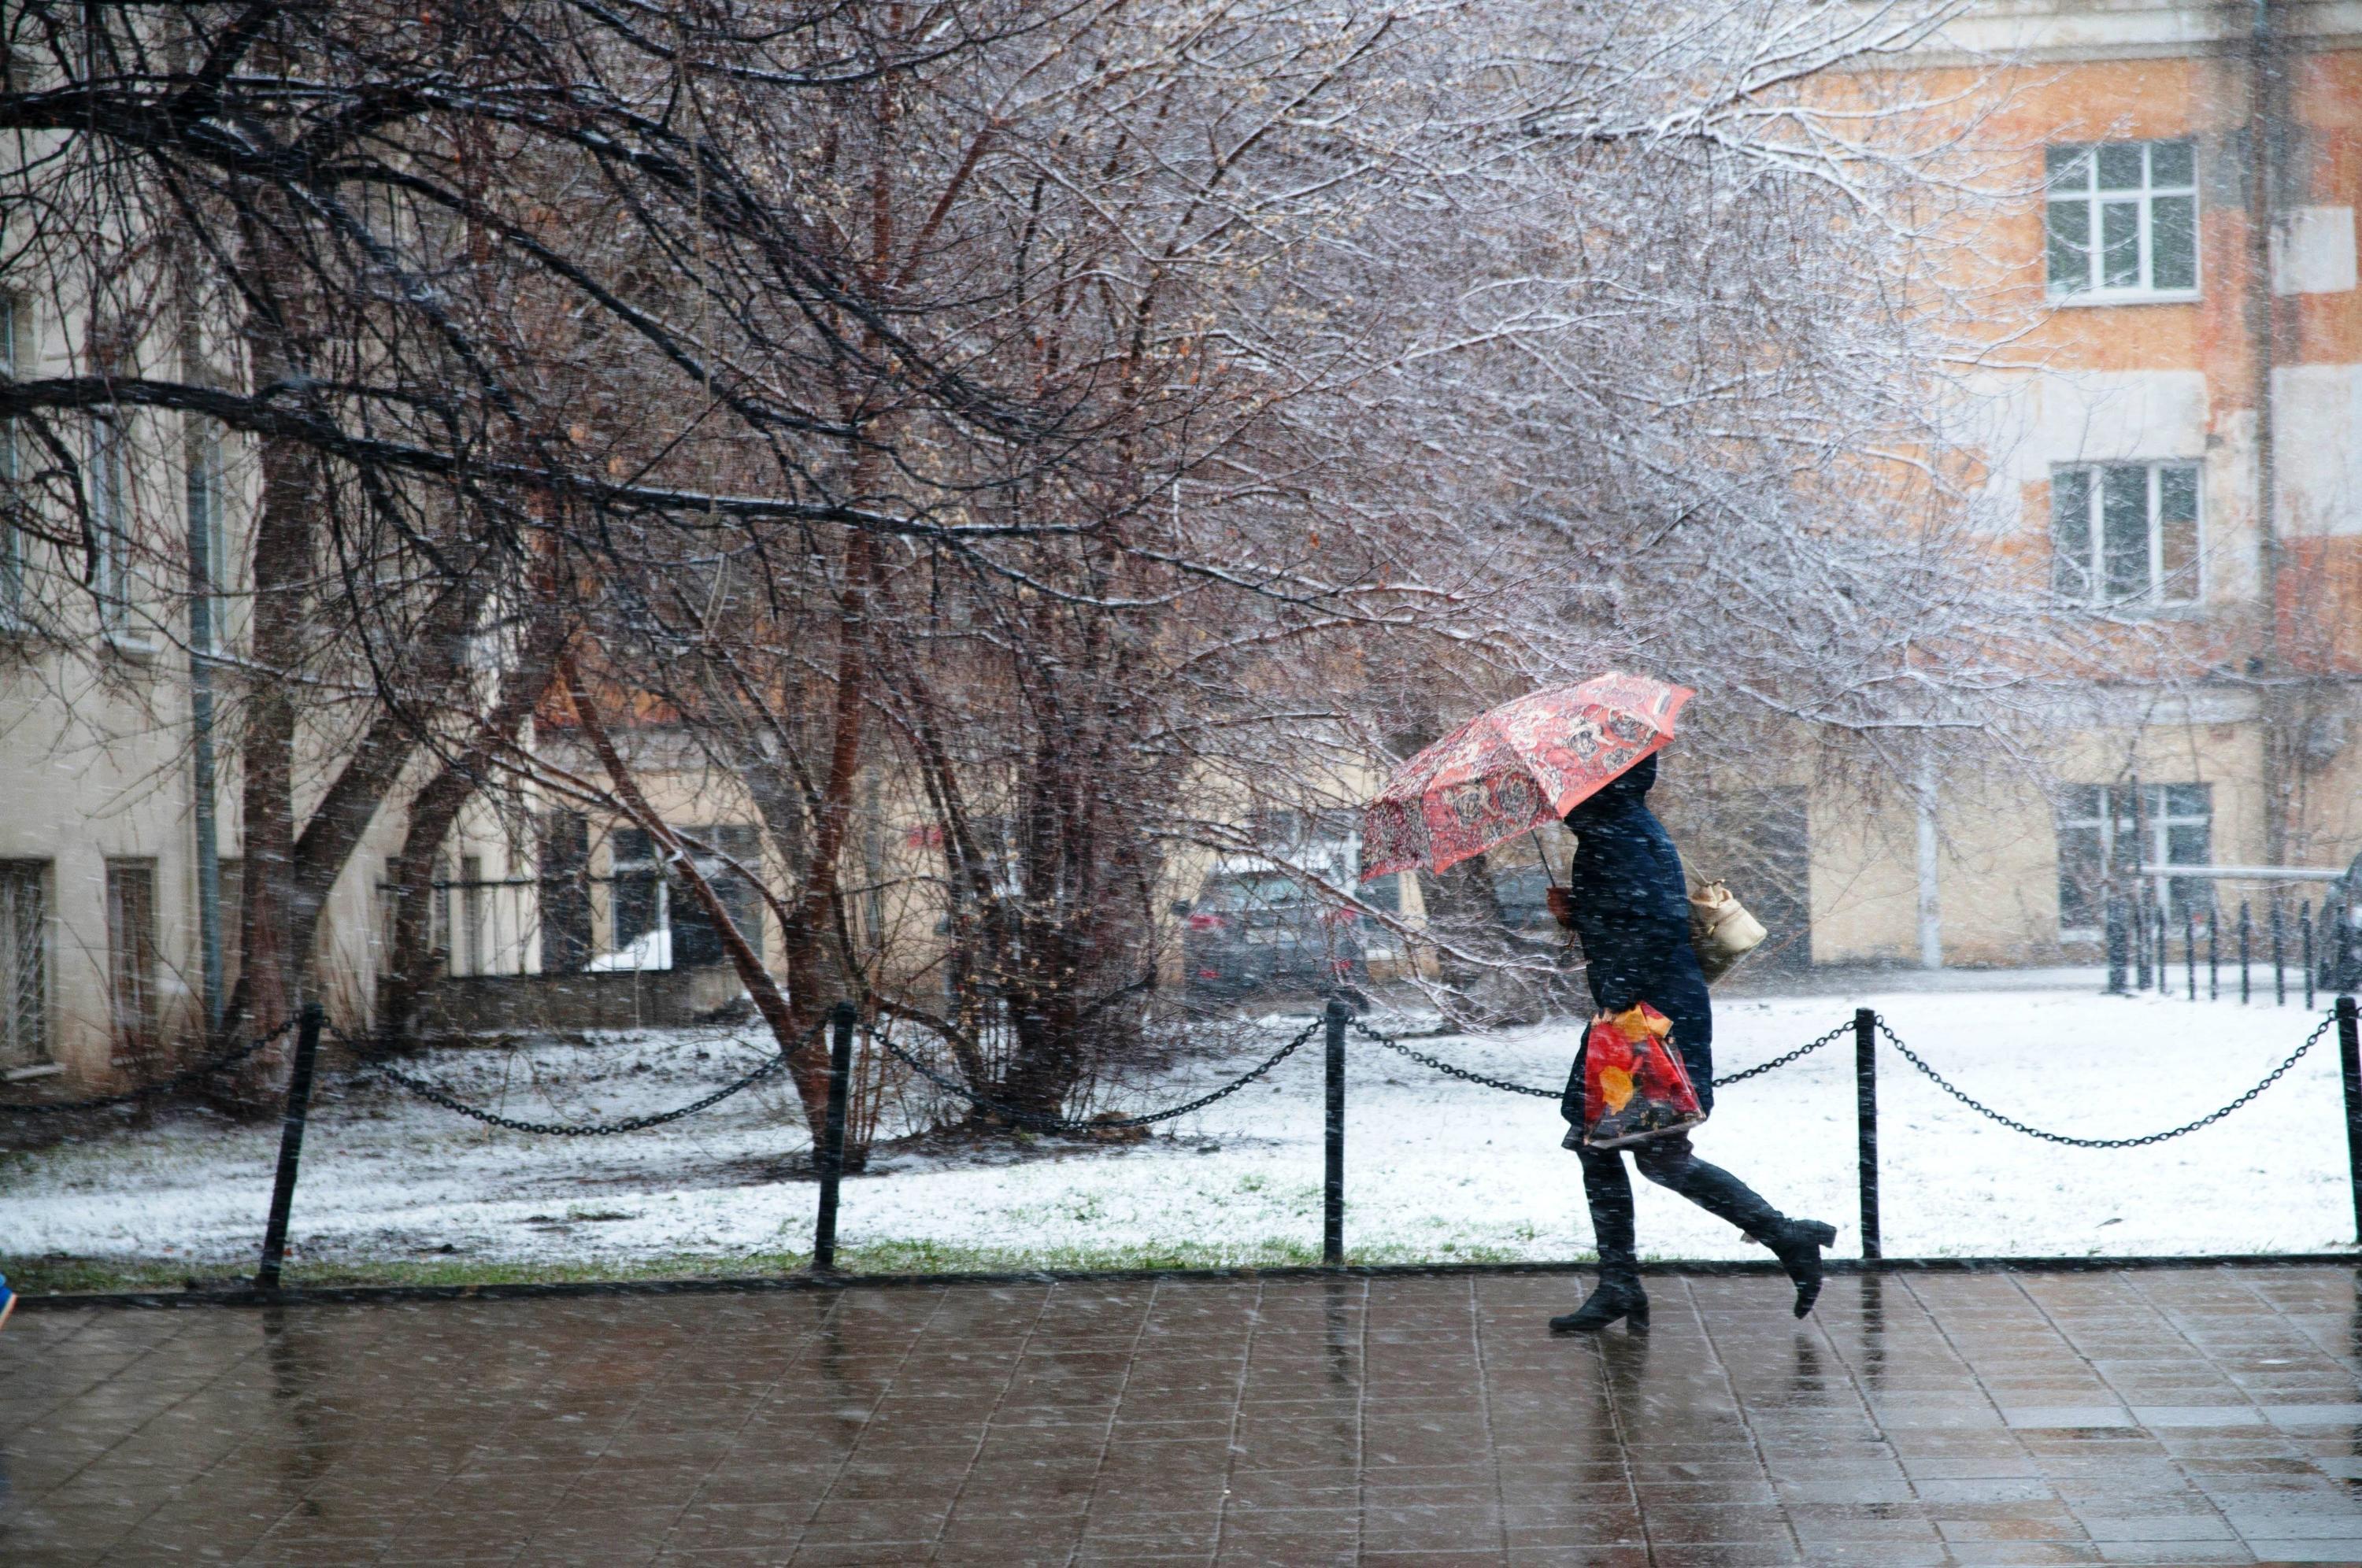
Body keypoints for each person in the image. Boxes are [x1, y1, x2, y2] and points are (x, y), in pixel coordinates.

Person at [1548, 752, 1834, 1332]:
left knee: (1650, 1152)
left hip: (1645, 1016)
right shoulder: (1615, 828)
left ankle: (1784, 1238)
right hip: (1638, 1010)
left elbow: (1654, 927)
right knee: (1600, 1142)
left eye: (1571, 778)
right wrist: (1580, 914)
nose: (1561, 790)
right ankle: (1622, 1282)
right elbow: (1632, 917)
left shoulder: (1619, 835)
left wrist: (1619, 995)